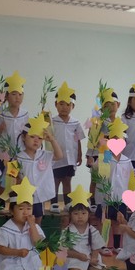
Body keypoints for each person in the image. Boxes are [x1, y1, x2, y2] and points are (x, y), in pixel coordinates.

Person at [65, 186, 107, 270]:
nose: (80, 217)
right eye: (76, 213)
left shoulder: (92, 230)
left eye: (83, 213)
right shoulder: (67, 232)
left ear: (89, 214)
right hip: (74, 257)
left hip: (90, 257)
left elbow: (97, 247)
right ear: (70, 215)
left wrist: (94, 257)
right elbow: (63, 250)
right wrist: (78, 255)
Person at [93, 116, 133, 252]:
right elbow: (95, 169)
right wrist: (100, 151)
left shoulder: (127, 161)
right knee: (103, 221)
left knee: (117, 221)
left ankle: (116, 246)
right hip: (105, 196)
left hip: (120, 197)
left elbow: (130, 179)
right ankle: (103, 245)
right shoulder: (105, 157)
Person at [16, 114, 63, 220]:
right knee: (23, 219)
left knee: (38, 220)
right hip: (24, 197)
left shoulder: (44, 155)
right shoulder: (18, 158)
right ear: (23, 137)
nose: (36, 140)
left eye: (40, 138)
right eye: (32, 137)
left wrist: (52, 140)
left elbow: (59, 156)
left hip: (38, 197)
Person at [50, 82, 85, 213]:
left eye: (68, 104)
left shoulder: (75, 123)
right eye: (61, 104)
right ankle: (54, 203)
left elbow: (78, 139)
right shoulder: (52, 122)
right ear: (56, 104)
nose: (64, 107)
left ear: (73, 106)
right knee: (55, 180)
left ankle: (67, 202)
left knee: (67, 180)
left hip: (70, 157)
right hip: (56, 158)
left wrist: (79, 154)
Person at [86, 86, 120, 211]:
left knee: (108, 178)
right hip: (97, 152)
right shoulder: (98, 121)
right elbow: (91, 137)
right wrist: (90, 155)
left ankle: (106, 199)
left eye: (112, 104)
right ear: (101, 107)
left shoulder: (120, 123)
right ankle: (93, 201)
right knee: (95, 178)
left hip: (112, 154)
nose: (110, 107)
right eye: (106, 105)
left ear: (118, 105)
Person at [0, 71, 29, 172]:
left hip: (20, 154)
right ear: (6, 96)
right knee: (4, 179)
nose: (17, 97)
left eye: (20, 94)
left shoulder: (25, 114)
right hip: (4, 154)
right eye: (14, 94)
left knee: (18, 178)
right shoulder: (0, 113)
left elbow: (28, 134)